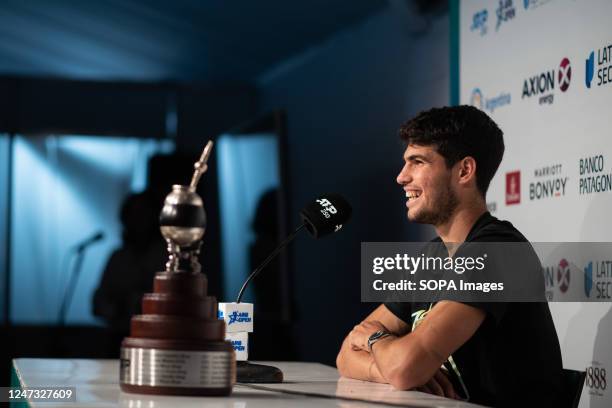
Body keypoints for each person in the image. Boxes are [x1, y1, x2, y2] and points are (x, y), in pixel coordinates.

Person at [336, 106, 563, 407]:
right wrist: (388, 369)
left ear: (464, 171)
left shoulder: (498, 250)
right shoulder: (432, 255)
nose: (401, 177)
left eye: (417, 162)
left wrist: (376, 341)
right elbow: (344, 355)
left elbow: (404, 369)